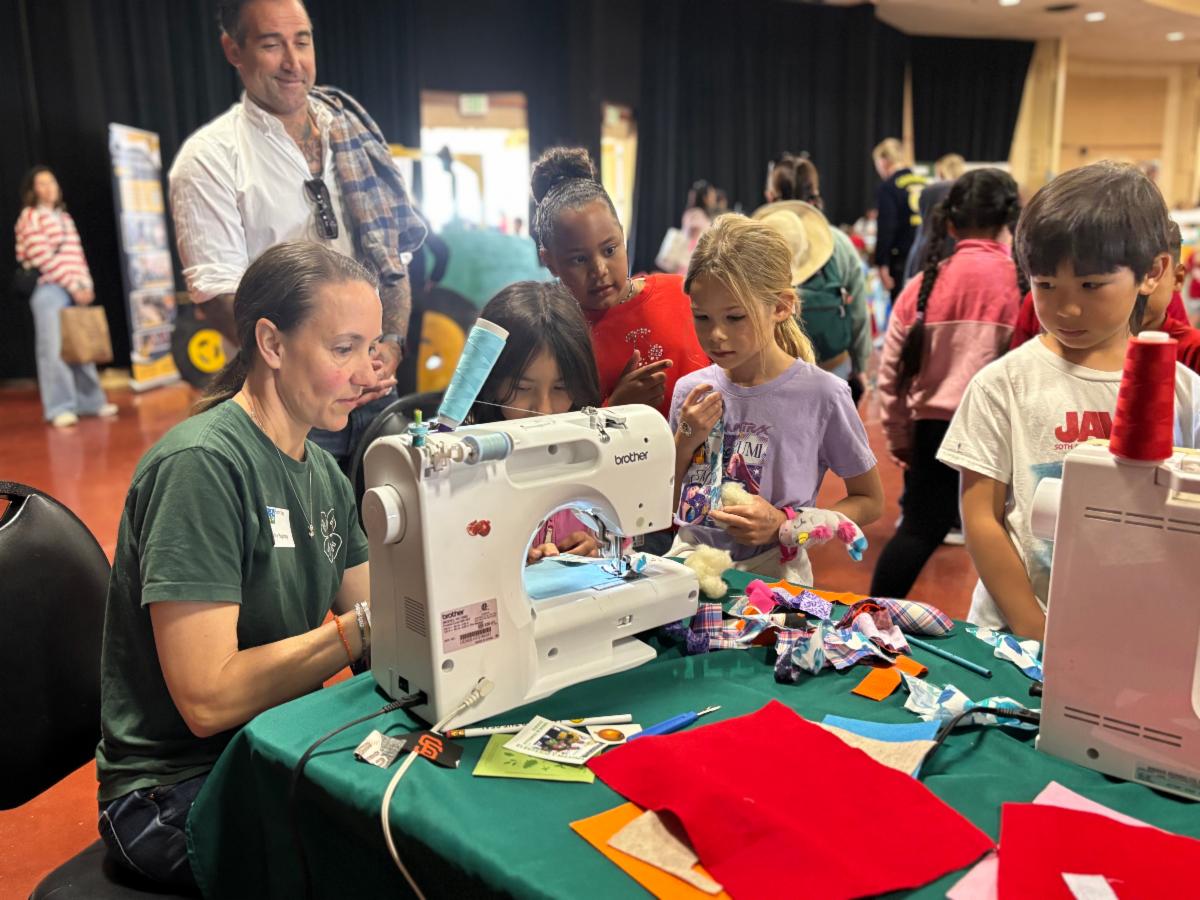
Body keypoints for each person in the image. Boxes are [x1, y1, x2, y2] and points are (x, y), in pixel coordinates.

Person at [96, 242, 379, 890]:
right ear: (272, 345)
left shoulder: (325, 476)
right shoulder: (202, 467)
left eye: (371, 349)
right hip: (167, 795)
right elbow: (208, 696)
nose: (367, 374)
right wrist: (356, 629)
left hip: (263, 754)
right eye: (344, 349)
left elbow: (386, 622)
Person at [937, 162, 1200, 640]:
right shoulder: (1004, 385)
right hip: (1014, 635)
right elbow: (981, 519)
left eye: (1091, 285)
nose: (1067, 308)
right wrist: (1036, 630)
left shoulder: (1185, 392)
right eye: (1046, 286)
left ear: (1153, 272)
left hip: (1138, 632)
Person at [169, 0, 426, 467]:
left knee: (384, 532)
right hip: (286, 408)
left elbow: (391, 259)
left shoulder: (350, 133)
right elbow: (217, 297)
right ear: (234, 50)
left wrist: (388, 345)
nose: (293, 62)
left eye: (302, 41)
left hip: (374, 395)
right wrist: (324, 365)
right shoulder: (209, 158)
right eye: (271, 45)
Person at [668, 215, 884, 585]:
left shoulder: (823, 395)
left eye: (735, 317)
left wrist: (786, 526)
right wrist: (684, 441)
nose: (716, 335)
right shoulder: (691, 392)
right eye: (701, 317)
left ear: (781, 307)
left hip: (777, 580)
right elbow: (664, 504)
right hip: (690, 572)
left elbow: (869, 500)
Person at [871, 169, 1023, 599]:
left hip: (933, 429)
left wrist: (899, 435)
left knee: (919, 531)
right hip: (1001, 434)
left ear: (951, 224)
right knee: (1009, 537)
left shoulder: (922, 286)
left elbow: (891, 373)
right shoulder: (1023, 287)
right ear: (1009, 221)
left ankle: (866, 624)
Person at [530, 147, 709, 419]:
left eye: (610, 250)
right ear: (549, 260)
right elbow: (556, 441)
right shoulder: (557, 337)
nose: (599, 270)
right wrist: (613, 408)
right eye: (579, 259)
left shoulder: (683, 293)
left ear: (623, 236)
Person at [468, 280, 605, 562]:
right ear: (490, 383)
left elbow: (617, 533)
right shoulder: (462, 467)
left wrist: (595, 546)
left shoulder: (592, 452)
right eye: (521, 388)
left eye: (560, 388)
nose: (543, 410)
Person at [760, 152, 871, 404]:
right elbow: (858, 313)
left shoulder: (756, 241)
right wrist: (861, 365)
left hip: (769, 369)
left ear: (770, 196)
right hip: (831, 366)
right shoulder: (838, 242)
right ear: (816, 194)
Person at [13, 166, 117, 427]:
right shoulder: (30, 217)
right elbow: (43, 258)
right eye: (42, 183)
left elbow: (77, 256)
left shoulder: (64, 217)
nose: (49, 188)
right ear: (32, 190)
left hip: (75, 288)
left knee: (80, 344)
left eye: (52, 182)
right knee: (52, 349)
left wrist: (86, 285)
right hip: (49, 289)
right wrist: (73, 285)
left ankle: (91, 402)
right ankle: (59, 407)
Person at [872, 138, 927, 302]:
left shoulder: (889, 187)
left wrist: (882, 263)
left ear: (883, 162)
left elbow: (887, 228)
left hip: (901, 260)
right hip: (925, 257)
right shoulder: (923, 182)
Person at [1145, 221, 1200, 372]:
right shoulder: (1086, 343)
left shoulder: (1192, 351)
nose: (1138, 286)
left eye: (1150, 272)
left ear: (1177, 278)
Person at [904, 153, 966, 282]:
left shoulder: (928, 192)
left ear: (940, 172)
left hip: (924, 255)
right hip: (956, 258)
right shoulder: (969, 193)